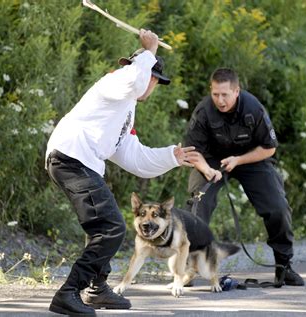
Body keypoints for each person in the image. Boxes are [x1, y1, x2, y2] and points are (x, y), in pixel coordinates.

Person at [45, 29, 198, 316]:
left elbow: (133, 156)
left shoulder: (125, 108)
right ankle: (68, 292)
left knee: (101, 227)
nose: (152, 86)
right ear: (148, 75)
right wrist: (149, 51)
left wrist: (172, 156)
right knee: (112, 226)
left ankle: (96, 288)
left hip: (77, 161)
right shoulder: (116, 82)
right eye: (153, 79)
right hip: (70, 157)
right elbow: (132, 80)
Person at [184, 68, 304, 287]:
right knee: (197, 203)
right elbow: (191, 151)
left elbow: (269, 148)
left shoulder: (253, 108)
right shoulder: (203, 111)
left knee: (278, 208)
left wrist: (238, 160)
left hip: (250, 159)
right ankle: (189, 266)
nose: (220, 100)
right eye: (215, 94)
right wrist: (207, 170)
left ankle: (283, 266)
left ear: (236, 91)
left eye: (225, 95)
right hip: (211, 160)